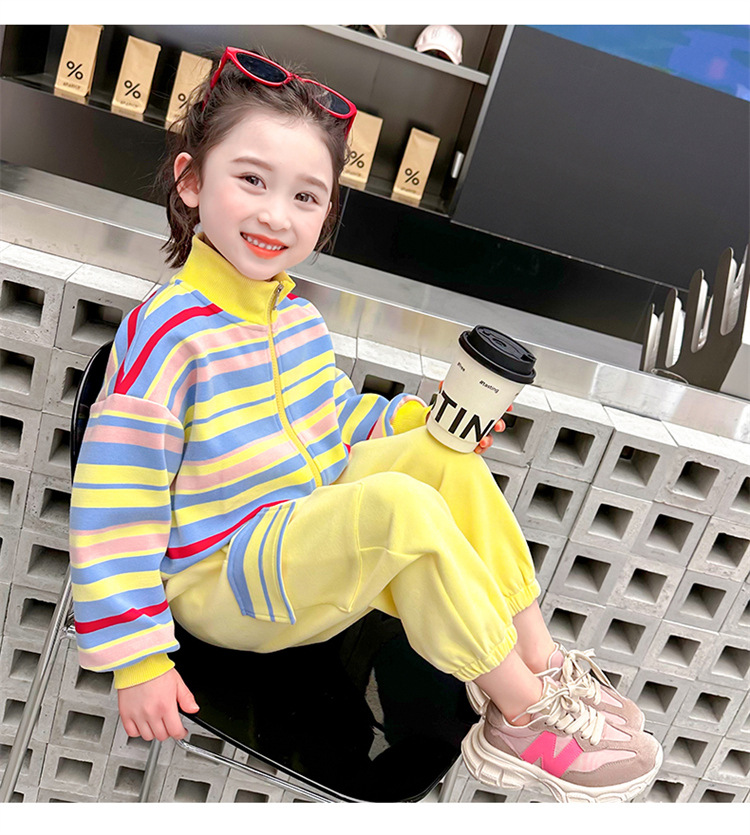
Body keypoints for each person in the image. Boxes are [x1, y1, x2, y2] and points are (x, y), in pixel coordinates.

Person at [68, 45, 662, 803]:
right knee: (399, 509)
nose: (276, 215)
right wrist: (137, 659)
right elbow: (117, 502)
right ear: (191, 181)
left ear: (326, 215)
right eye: (251, 180)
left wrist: (424, 426)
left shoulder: (296, 318)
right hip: (221, 577)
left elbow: (338, 424)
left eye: (306, 197)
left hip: (299, 537)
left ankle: (542, 667)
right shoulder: (168, 334)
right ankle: (520, 717)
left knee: (445, 462)